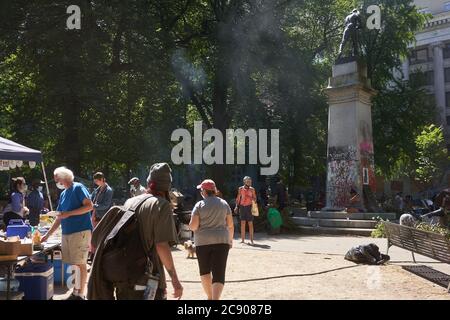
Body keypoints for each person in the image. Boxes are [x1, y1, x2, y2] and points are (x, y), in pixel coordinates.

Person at [88, 163, 183, 300]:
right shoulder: (162, 205)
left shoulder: (130, 201)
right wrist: (175, 280)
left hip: (124, 276)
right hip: (146, 277)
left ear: (149, 182)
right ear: (167, 186)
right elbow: (161, 245)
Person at [41, 167, 94, 300]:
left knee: (80, 263)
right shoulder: (64, 193)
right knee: (74, 263)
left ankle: (81, 294)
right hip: (67, 233)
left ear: (64, 177)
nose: (55, 180)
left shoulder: (78, 187)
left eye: (56, 177)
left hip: (80, 231)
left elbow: (89, 206)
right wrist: (47, 235)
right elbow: (59, 217)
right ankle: (76, 291)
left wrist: (68, 214)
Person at [189, 179, 234, 300]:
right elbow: (230, 225)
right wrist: (230, 240)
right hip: (222, 240)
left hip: (202, 242)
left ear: (204, 191)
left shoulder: (198, 205)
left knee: (204, 271)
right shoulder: (224, 204)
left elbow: (193, 226)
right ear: (214, 190)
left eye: (201, 190)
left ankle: (209, 297)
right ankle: (215, 299)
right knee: (219, 272)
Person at [234, 176, 257, 244]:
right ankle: (243, 240)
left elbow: (255, 198)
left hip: (249, 207)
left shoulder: (252, 189)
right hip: (242, 207)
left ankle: (252, 240)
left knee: (250, 224)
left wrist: (252, 198)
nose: (249, 182)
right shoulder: (240, 189)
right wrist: (236, 206)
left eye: (250, 181)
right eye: (248, 181)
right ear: (244, 182)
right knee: (242, 223)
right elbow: (238, 198)